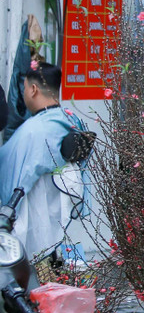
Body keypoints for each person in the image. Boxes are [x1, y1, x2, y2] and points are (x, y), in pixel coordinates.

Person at [0, 64, 91, 260]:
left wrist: (9, 209)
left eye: (24, 89)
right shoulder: (71, 119)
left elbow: (21, 177)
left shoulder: (35, 130)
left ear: (33, 90)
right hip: (58, 215)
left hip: (33, 212)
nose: (24, 95)